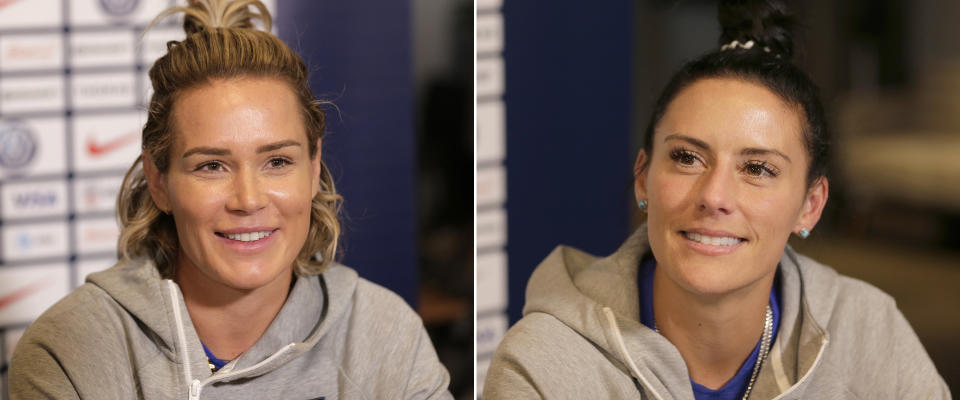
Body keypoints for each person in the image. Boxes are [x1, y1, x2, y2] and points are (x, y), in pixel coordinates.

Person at [483, 0, 950, 399]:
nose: (714, 196)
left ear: (810, 205)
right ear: (643, 178)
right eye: (687, 157)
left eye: (757, 168)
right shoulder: (544, 366)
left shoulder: (871, 330)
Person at [9, 1, 452, 398]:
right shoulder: (69, 350)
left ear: (314, 168)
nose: (248, 199)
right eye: (211, 166)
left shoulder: (386, 334)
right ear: (159, 181)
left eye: (277, 161)